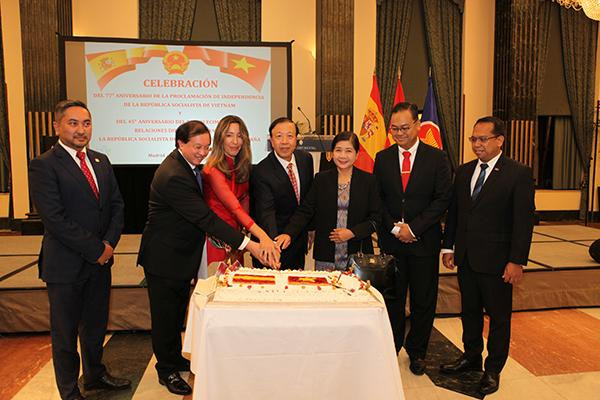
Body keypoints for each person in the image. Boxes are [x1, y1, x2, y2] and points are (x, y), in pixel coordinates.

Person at [137, 120, 278, 396]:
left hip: (180, 256)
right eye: (197, 147)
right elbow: (205, 218)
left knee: (176, 312)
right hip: (164, 257)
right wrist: (249, 244)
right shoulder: (173, 174)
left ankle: (174, 358)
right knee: (165, 318)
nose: (202, 152)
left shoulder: (188, 166)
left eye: (206, 147)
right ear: (180, 143)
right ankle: (166, 370)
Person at [28, 100, 129, 400]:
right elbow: (54, 219)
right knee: (65, 333)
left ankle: (95, 376)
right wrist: (96, 248)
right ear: (57, 126)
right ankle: (69, 391)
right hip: (65, 266)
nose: (81, 130)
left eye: (86, 123)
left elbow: (116, 206)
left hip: (100, 262)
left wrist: (109, 244)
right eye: (73, 123)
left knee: (95, 326)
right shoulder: (44, 164)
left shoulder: (101, 160)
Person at [440, 116, 534, 395]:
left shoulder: (518, 173)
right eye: (474, 139)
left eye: (483, 139)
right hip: (467, 258)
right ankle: (471, 357)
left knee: (498, 318)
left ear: (499, 140)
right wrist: (449, 247)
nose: (477, 144)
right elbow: (455, 213)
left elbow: (523, 221)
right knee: (469, 312)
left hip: (498, 262)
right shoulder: (464, 171)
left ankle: (493, 369)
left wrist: (516, 260)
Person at [373, 102, 452, 375]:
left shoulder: (437, 158)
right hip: (392, 243)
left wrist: (414, 229)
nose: (399, 133)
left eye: (405, 127)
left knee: (423, 299)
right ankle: (392, 346)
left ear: (418, 125)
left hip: (424, 242)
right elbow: (377, 199)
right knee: (392, 299)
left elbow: (442, 199)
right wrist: (395, 229)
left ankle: (417, 351)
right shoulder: (382, 158)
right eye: (394, 128)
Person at [276, 131, 380, 270]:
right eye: (338, 150)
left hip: (358, 254)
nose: (343, 155)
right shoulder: (321, 179)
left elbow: (376, 218)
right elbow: (305, 210)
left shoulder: (369, 181)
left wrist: (352, 232)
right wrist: (289, 233)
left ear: (356, 154)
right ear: (332, 153)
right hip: (326, 255)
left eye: (348, 151)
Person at [202, 115, 278, 265]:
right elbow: (235, 208)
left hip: (237, 241)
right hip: (216, 242)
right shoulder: (212, 170)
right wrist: (263, 236)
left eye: (239, 136)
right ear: (219, 139)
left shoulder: (240, 167)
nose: (235, 141)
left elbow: (244, 201)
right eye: (229, 135)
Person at [251, 117, 314, 269]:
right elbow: (266, 212)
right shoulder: (261, 171)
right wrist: (274, 246)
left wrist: (310, 228)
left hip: (297, 238)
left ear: (297, 139)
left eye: (290, 136)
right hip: (272, 242)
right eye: (279, 136)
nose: (284, 142)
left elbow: (308, 200)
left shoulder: (306, 159)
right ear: (271, 141)